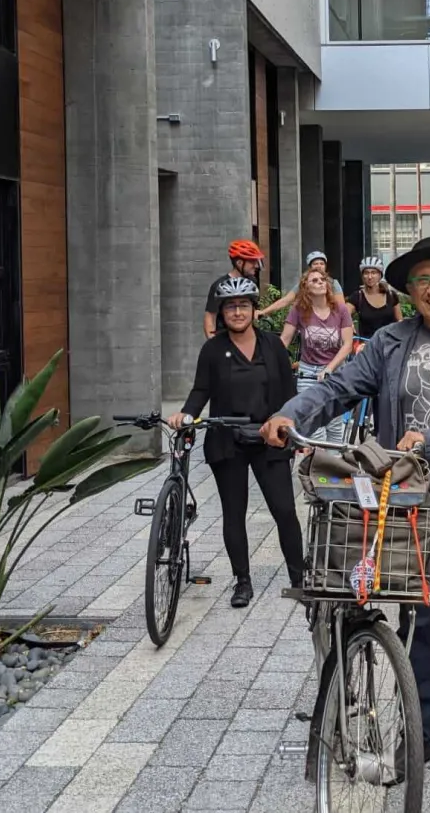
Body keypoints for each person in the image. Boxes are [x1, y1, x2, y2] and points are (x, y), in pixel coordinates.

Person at [261, 235, 430, 802]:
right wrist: (289, 413)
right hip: (407, 503)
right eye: (423, 279)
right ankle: (418, 734)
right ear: (408, 291)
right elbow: (336, 387)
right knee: (416, 627)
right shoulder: (387, 342)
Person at [169, 276, 303, 608]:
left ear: (254, 310)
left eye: (244, 305)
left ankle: (299, 578)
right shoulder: (213, 349)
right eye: (231, 307)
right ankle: (242, 581)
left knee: (285, 509)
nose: (238, 312)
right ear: (222, 313)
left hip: (269, 437)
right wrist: (185, 415)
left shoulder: (272, 345)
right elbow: (201, 390)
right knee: (234, 512)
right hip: (227, 439)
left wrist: (296, 432)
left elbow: (289, 394)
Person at [280, 269, 354, 442]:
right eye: (314, 280)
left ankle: (335, 464)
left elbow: (348, 344)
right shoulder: (299, 310)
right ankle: (317, 463)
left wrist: (329, 368)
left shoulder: (340, 310)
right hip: (308, 371)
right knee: (313, 425)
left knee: (334, 424)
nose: (320, 282)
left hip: (334, 371)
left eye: (323, 279)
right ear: (306, 287)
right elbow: (284, 339)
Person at [204, 239, 264, 338]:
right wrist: (213, 345)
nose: (256, 265)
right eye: (253, 261)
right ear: (240, 263)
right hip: (225, 340)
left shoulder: (252, 281)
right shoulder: (219, 285)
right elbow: (210, 317)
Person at [261, 250, 344, 317]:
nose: (319, 266)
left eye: (322, 264)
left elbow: (341, 308)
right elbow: (286, 300)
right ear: (310, 267)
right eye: (315, 264)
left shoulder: (333, 283)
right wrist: (264, 312)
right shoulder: (303, 284)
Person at [352, 255, 404, 337]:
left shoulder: (391, 295)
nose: (370, 277)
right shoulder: (358, 296)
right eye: (366, 273)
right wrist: (349, 325)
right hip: (368, 344)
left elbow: (400, 321)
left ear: (380, 275)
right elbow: (343, 314)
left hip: (390, 343)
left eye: (373, 273)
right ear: (362, 276)